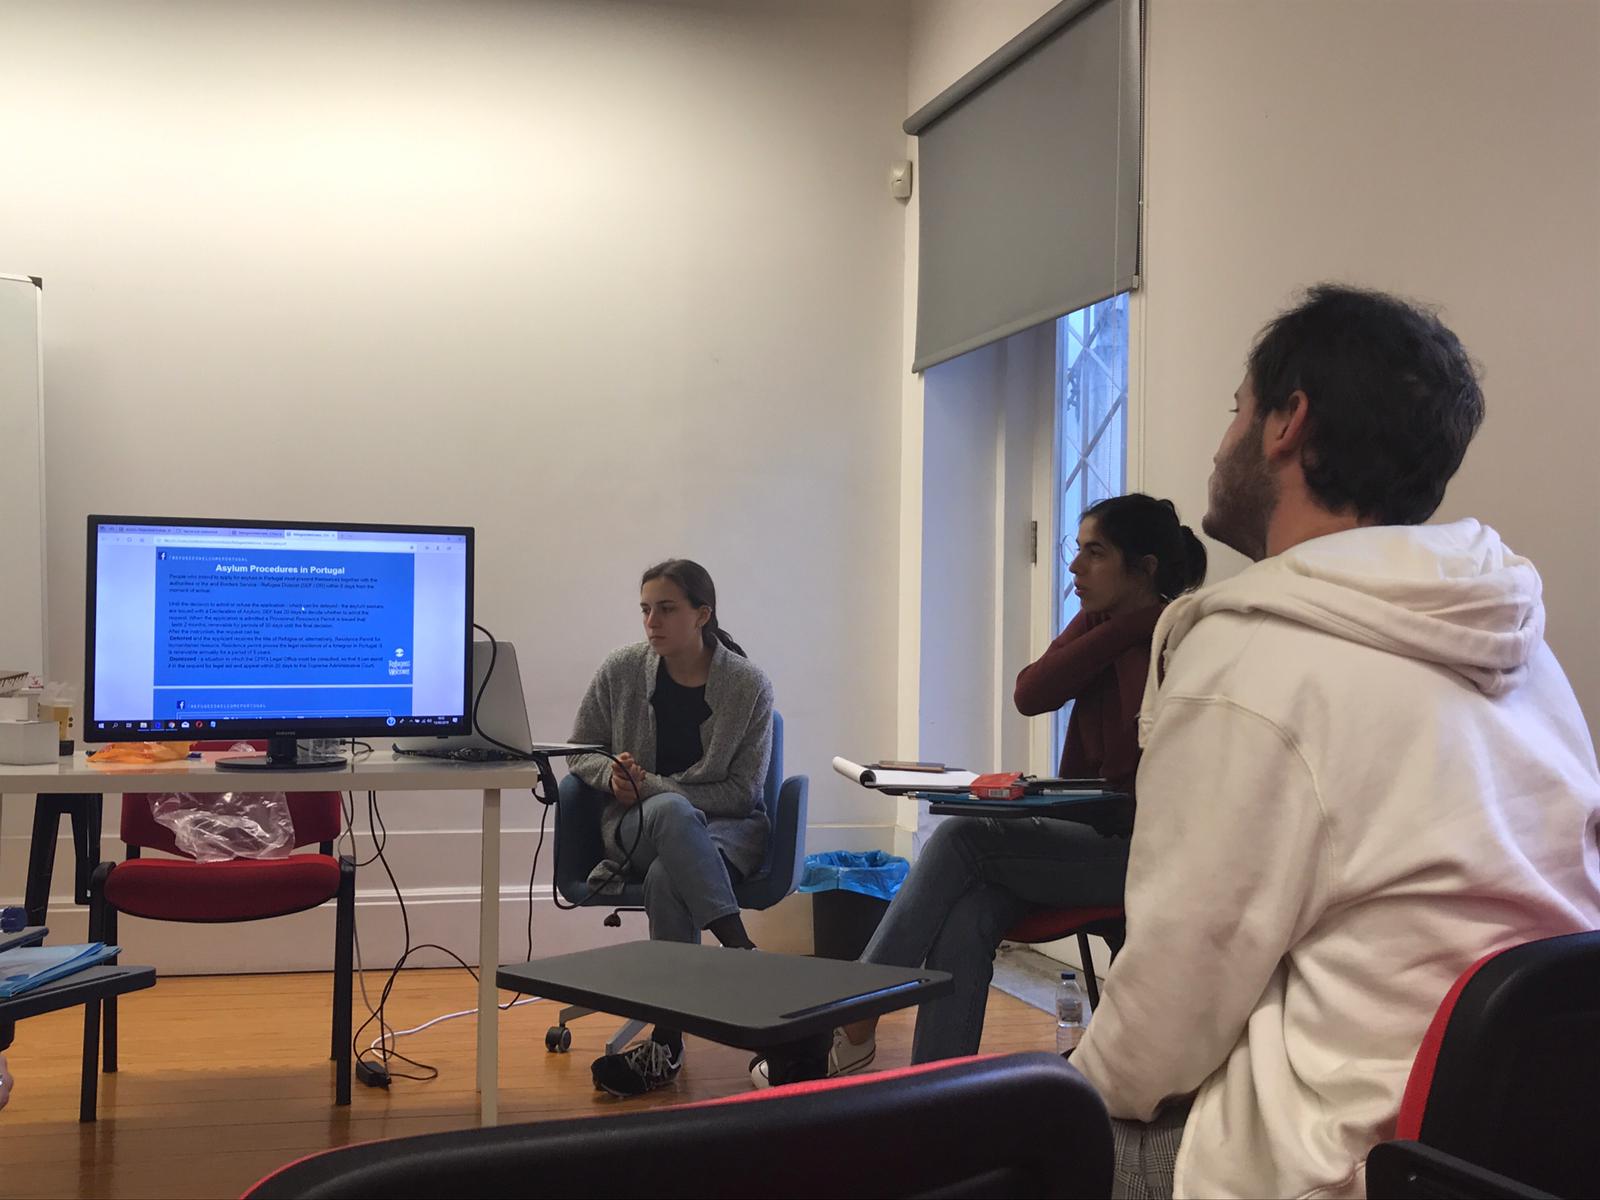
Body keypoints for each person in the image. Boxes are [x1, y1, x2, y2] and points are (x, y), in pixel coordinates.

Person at [1071, 284, 1600, 1199]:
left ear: (1289, 423)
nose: (1221, 444)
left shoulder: (1252, 660)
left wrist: (1059, 1097)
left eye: (1236, 410)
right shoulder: (1517, 644)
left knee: (994, 1143)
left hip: (1331, 1163)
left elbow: (1160, 1032)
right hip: (1513, 1148)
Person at [751, 494, 1205, 1086]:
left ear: (1144, 568)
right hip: (1083, 839)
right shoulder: (1106, 623)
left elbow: (1128, 761)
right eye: (1075, 550)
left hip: (1139, 854)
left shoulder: (1174, 644)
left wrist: (1138, 629)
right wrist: (1124, 626)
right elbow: (1031, 693)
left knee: (963, 838)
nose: (1074, 567)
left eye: (1094, 553)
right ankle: (935, 1101)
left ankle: (852, 1015)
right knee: (970, 912)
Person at [566, 558, 774, 1097]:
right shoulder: (621, 670)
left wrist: (652, 786)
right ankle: (743, 956)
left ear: (702, 614)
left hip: (727, 832)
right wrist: (612, 778)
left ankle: (666, 1042)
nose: (651, 622)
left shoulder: (748, 685)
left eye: (666, 609)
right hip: (635, 826)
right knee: (672, 818)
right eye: (645, 610)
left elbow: (742, 793)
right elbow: (580, 751)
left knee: (667, 875)